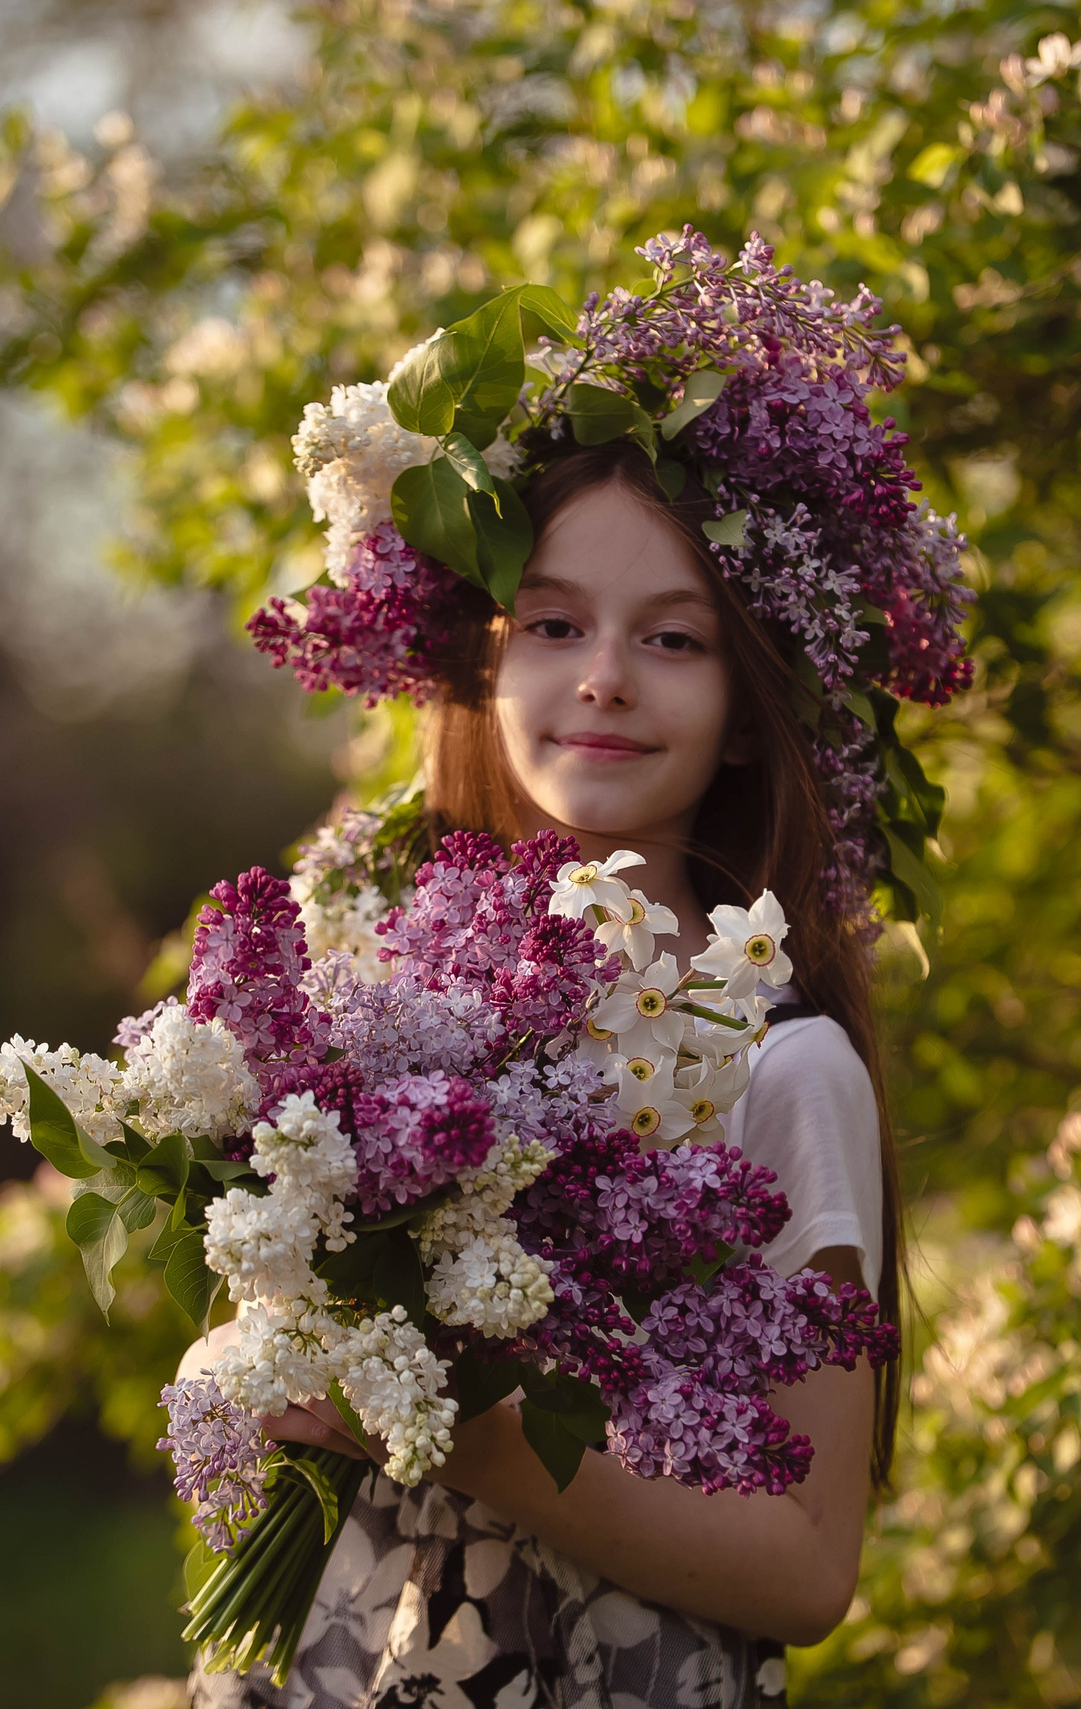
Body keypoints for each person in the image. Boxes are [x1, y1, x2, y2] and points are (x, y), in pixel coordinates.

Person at [183, 441, 905, 1709]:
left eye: (674, 640)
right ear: (488, 662)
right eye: (554, 623)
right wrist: (239, 1380)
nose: (606, 678)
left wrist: (476, 1443)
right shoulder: (385, 1002)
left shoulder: (782, 1067)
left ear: (749, 712)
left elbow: (806, 1568)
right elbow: (246, 1353)